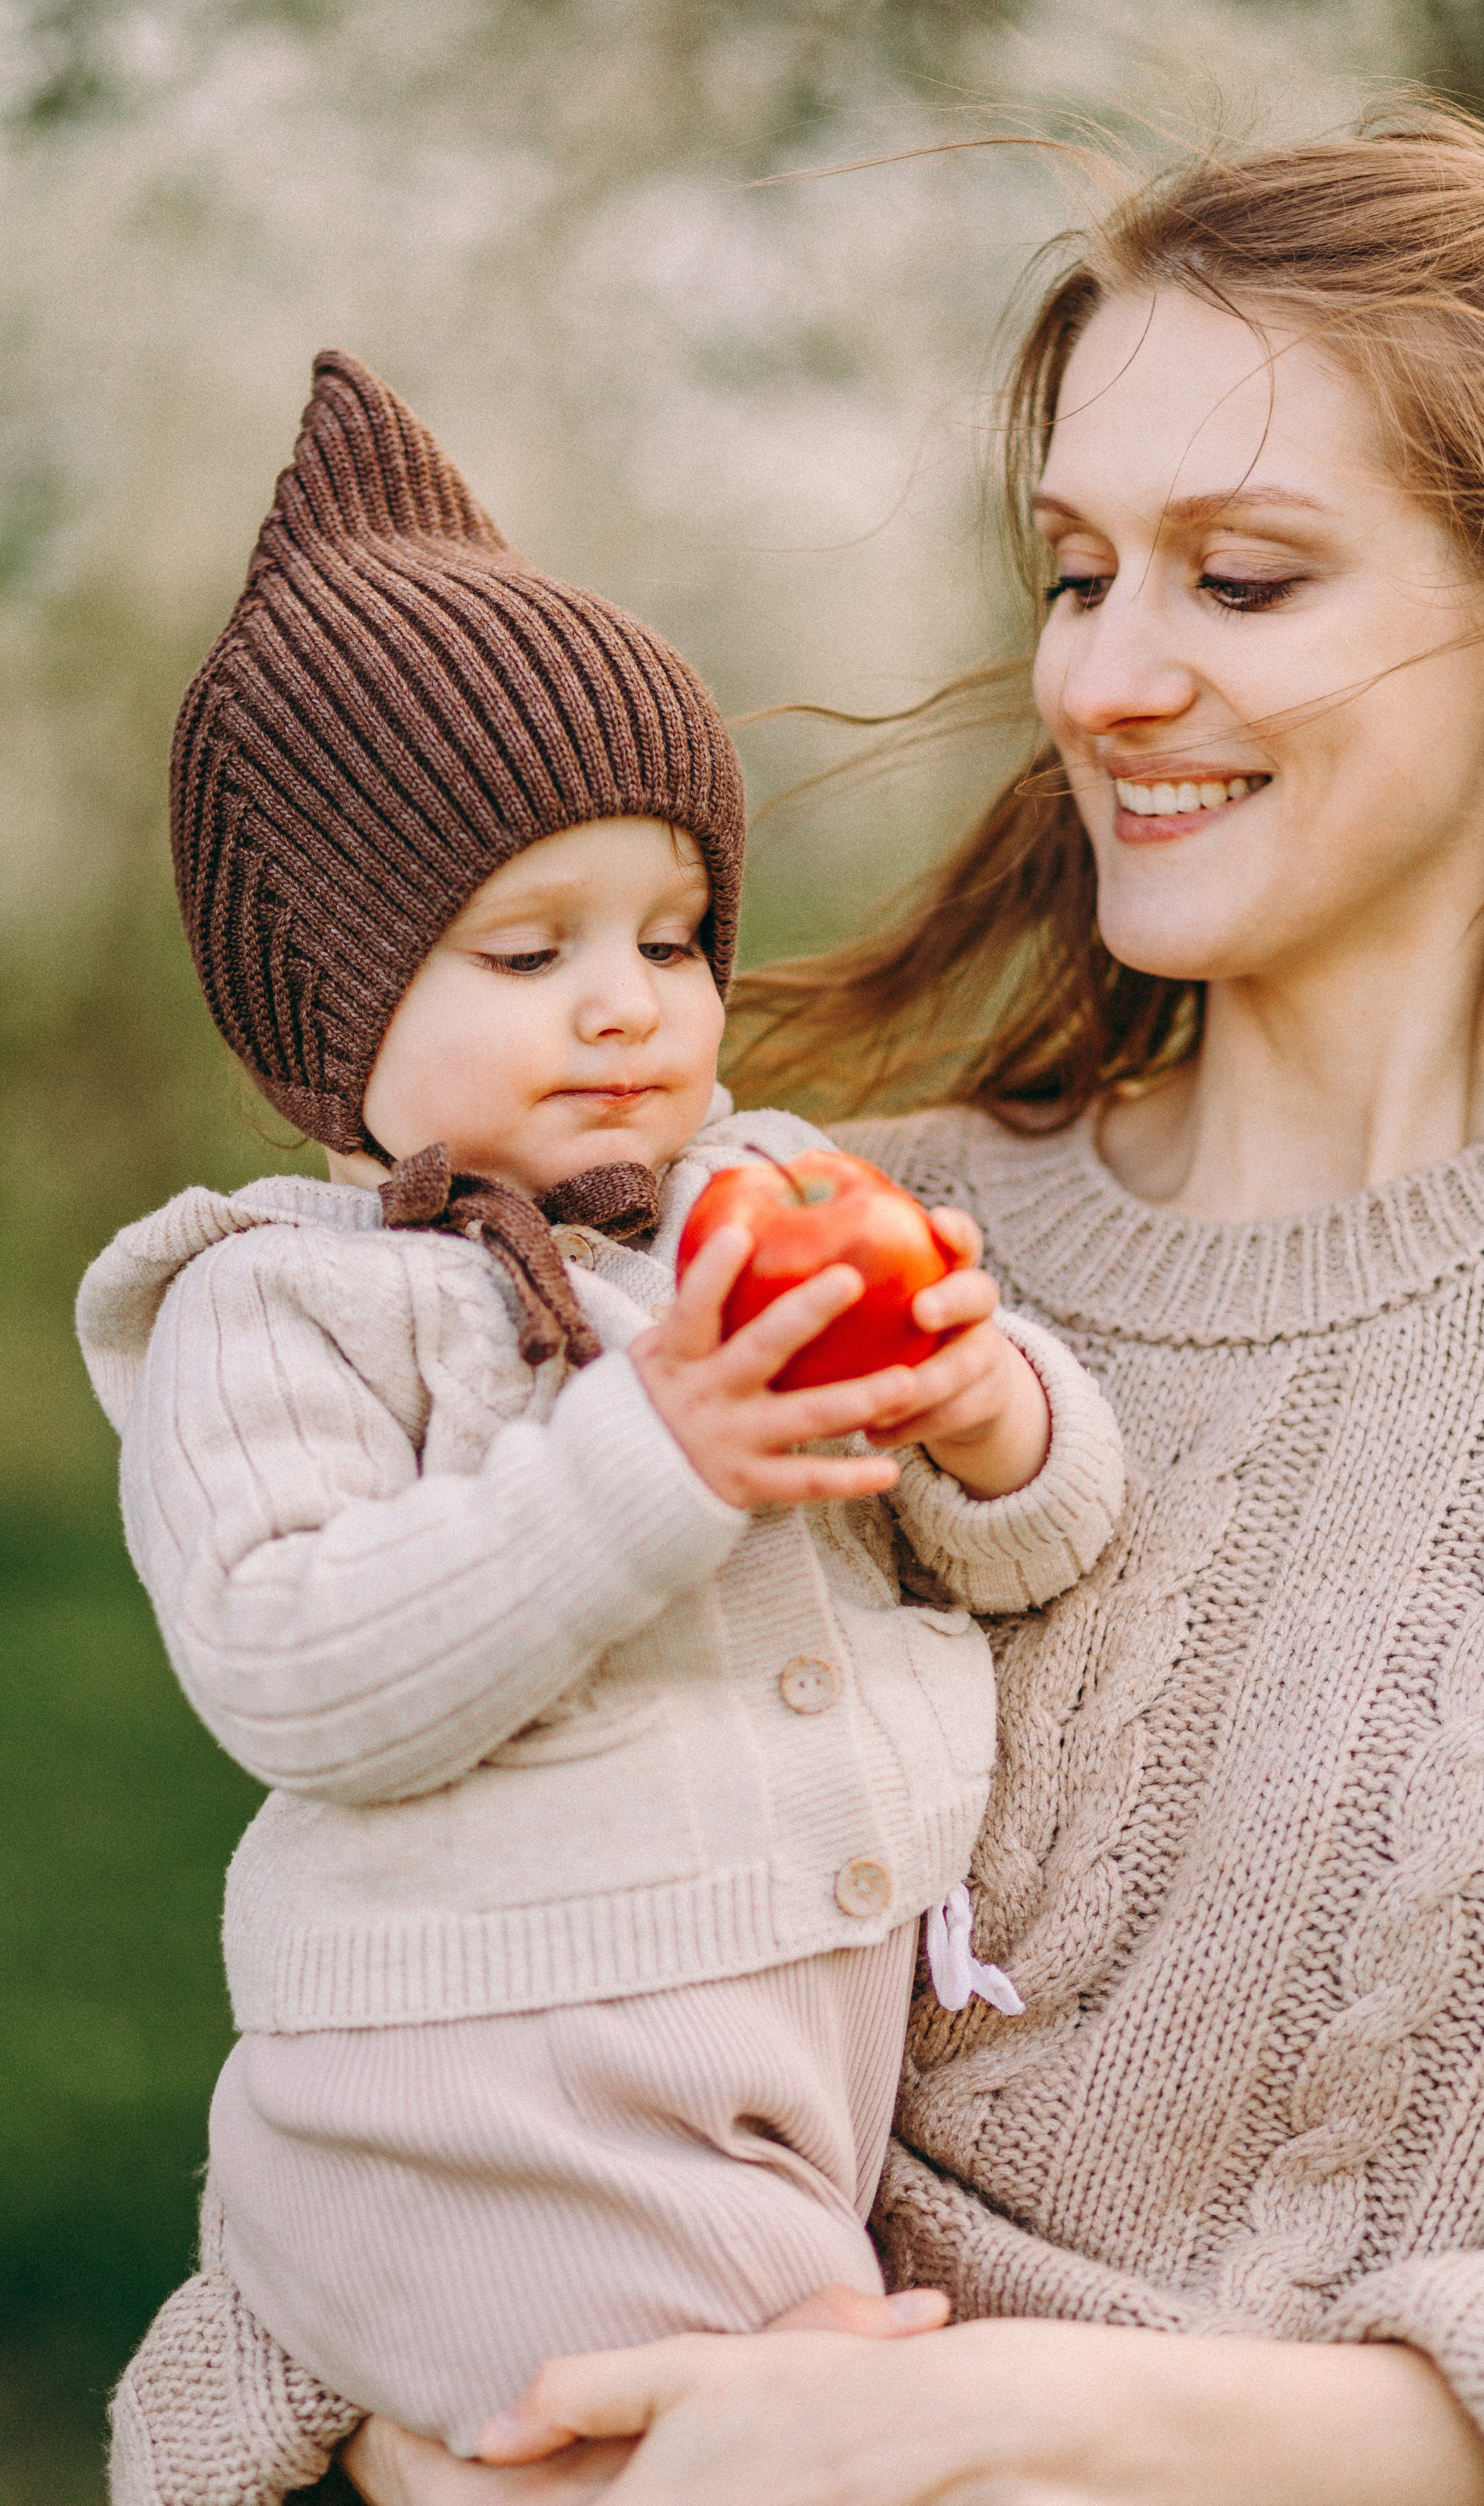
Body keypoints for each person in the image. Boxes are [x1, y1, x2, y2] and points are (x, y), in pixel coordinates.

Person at [337, 108, 1484, 2506]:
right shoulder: (809, 1244)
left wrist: (1003, 2420)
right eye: (1078, 573)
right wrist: (435, 2419)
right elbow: (425, 1936)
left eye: (1243, 580)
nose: (1108, 679)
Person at [77, 353, 1124, 2503]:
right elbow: (294, 1667)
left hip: (762, 2103)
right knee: (756, 2446)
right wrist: (652, 1460)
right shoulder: (281, 1305)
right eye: (529, 948)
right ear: (331, 1010)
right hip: (473, 2110)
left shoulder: (768, 1210)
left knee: (802, 2425)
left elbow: (1034, 1547)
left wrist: (989, 1407)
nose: (631, 1001)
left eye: (672, 935)